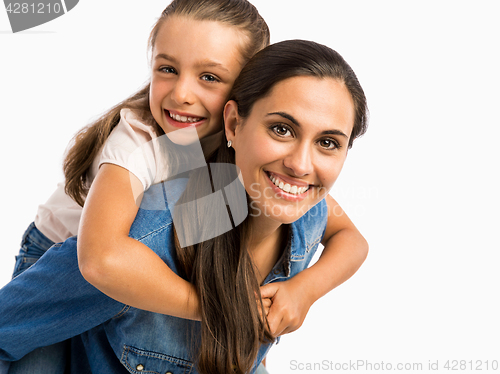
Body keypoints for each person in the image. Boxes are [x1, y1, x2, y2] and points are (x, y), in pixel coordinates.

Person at [1, 39, 369, 374]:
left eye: (328, 143)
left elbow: (353, 241)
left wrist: (306, 288)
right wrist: (221, 310)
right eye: (281, 130)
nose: (301, 165)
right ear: (233, 124)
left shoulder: (306, 214)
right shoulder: (141, 243)